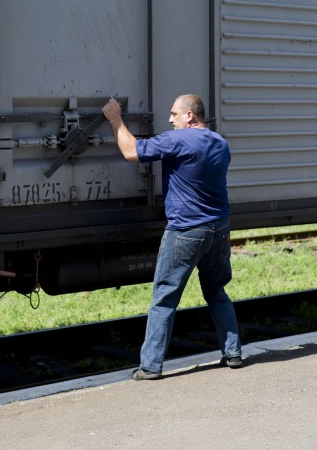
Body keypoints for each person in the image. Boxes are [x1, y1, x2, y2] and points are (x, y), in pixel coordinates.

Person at [102, 94, 242, 380]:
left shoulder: (179, 141)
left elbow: (131, 152)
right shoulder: (221, 143)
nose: (170, 119)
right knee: (217, 292)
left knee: (164, 297)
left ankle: (151, 366)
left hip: (186, 230)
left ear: (190, 115)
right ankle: (233, 352)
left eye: (174, 114)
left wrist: (115, 119)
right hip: (219, 228)